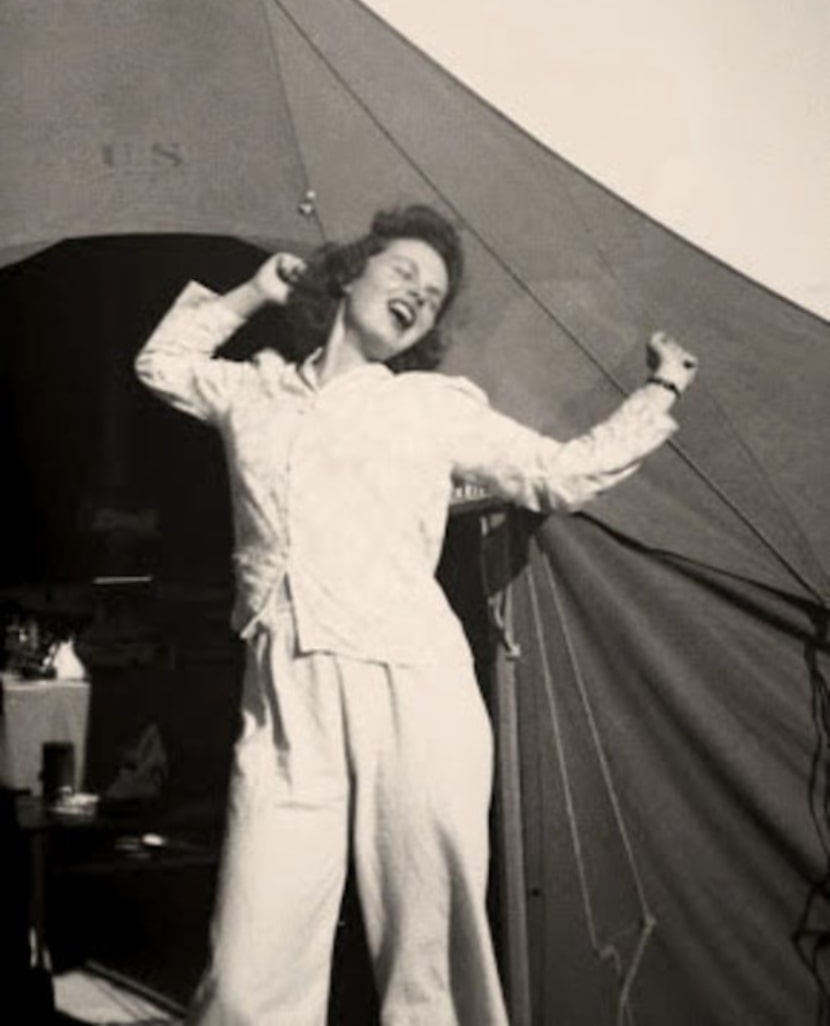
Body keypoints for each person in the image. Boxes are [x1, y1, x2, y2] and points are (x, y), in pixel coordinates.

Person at [135, 202, 697, 1026]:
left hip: (413, 689)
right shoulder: (252, 390)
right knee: (251, 970)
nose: (417, 295)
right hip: (285, 696)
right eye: (403, 271)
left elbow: (559, 475)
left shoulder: (429, 406)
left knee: (429, 962)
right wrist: (254, 291)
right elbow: (159, 362)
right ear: (348, 272)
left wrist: (662, 387)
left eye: (432, 296)